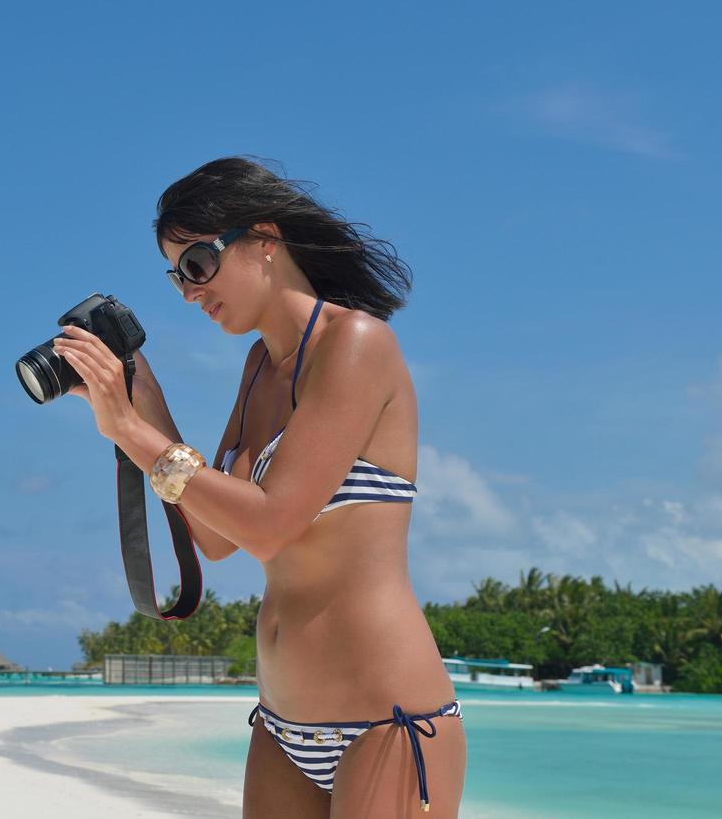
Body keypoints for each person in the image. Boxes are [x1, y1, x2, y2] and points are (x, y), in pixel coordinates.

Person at [51, 156, 466, 817]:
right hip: (280, 724)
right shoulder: (258, 368)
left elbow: (273, 522)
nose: (188, 292)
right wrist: (142, 398)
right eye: (175, 275)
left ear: (263, 241)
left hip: (387, 720)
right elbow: (217, 538)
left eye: (195, 265)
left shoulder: (356, 343)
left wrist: (129, 431)